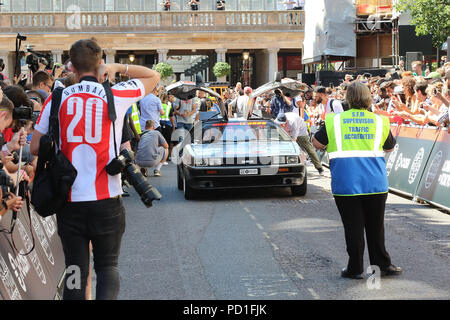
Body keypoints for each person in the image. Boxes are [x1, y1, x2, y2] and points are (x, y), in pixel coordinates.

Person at [30, 38, 160, 300]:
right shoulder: (116, 94)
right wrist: (116, 67)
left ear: (71, 67)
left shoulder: (56, 98)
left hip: (70, 202)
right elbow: (153, 76)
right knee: (107, 267)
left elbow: (35, 147)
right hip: (106, 200)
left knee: (76, 270)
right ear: (99, 63)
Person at [312, 81, 402, 279]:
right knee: (375, 225)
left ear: (348, 99)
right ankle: (382, 265)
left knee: (353, 226)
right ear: (368, 97)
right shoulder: (379, 120)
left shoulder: (334, 120)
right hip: (375, 182)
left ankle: (355, 268)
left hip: (346, 182)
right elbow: (389, 147)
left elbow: (317, 143)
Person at [159, 92, 175, 161]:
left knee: (159, 142)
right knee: (167, 141)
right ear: (167, 98)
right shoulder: (169, 105)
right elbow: (171, 117)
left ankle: (159, 156)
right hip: (168, 125)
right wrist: (173, 126)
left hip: (159, 125)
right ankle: (166, 157)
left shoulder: (158, 104)